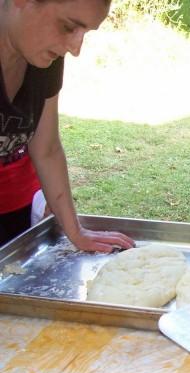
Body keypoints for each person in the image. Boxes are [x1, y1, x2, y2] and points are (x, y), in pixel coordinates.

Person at [0, 0, 134, 252]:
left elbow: (46, 148)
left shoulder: (41, 59)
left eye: (85, 33)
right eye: (68, 26)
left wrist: (76, 231)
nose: (75, 48)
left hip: (16, 204)